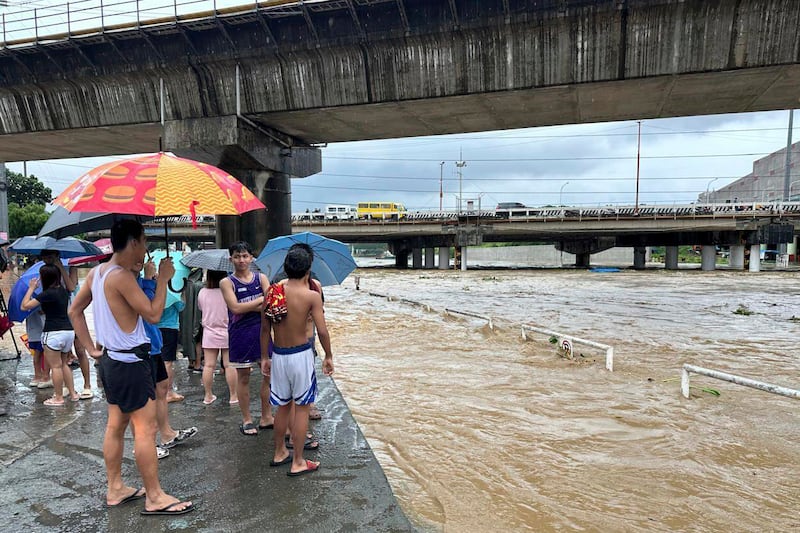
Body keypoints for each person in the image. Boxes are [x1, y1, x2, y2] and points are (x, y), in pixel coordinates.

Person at [68, 219, 193, 515]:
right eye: (144, 240)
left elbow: (75, 310)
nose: (146, 247)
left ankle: (115, 488)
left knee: (116, 425)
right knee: (146, 429)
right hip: (131, 362)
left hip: (111, 360)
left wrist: (91, 348)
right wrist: (162, 279)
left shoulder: (98, 273)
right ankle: (154, 496)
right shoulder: (122, 277)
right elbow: (152, 314)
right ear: (134, 241)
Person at [262, 245, 333, 476]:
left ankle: (279, 452)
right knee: (302, 409)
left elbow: (265, 330)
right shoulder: (312, 296)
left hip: (279, 354)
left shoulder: (273, 292)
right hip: (301, 354)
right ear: (309, 269)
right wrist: (329, 356)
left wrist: (265, 356)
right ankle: (299, 461)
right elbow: (321, 330)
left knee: (283, 406)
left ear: (285, 268)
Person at [137, 259, 197, 458]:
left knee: (161, 388)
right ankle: (145, 444)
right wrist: (158, 279)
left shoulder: (140, 279)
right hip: (140, 348)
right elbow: (152, 313)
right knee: (145, 399)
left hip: (153, 344)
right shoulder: (126, 279)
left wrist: (154, 280)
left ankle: (167, 434)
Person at [219, 241, 272, 436]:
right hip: (240, 334)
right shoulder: (226, 282)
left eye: (245, 256)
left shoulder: (261, 277)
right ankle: (247, 419)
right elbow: (235, 308)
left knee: (268, 375)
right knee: (243, 377)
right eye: (237, 256)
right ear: (230, 259)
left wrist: (249, 305)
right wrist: (260, 300)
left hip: (263, 332)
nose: (241, 260)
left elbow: (271, 304)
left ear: (251, 258)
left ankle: (267, 416)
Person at [21, 264, 78, 406]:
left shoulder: (46, 294)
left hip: (53, 333)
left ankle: (58, 397)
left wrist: (31, 288)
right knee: (64, 364)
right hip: (68, 331)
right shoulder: (64, 292)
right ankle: (73, 393)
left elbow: (24, 306)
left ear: (45, 278)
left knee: (56, 366)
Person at [41, 249, 93, 399]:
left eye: (50, 257)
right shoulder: (46, 271)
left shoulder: (71, 267)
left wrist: (60, 267)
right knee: (61, 355)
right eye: (45, 258)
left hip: (73, 313)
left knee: (80, 350)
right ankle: (66, 387)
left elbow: (70, 287)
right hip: (59, 317)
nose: (47, 260)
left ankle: (87, 385)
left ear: (57, 256)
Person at [198, 269, 237, 405]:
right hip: (228, 331)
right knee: (229, 364)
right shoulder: (228, 292)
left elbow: (201, 308)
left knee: (209, 365)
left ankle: (208, 396)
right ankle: (233, 396)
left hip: (209, 332)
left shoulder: (202, 292)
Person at [157, 296, 185, 403]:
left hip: (155, 326)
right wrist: (182, 297)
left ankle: (157, 390)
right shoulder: (172, 295)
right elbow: (181, 307)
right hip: (170, 327)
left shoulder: (153, 290)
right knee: (167, 361)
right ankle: (168, 392)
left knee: (156, 359)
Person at [25, 310, 51, 388]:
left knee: (40, 352)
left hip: (38, 328)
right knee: (40, 351)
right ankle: (41, 376)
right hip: (39, 328)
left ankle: (41, 375)